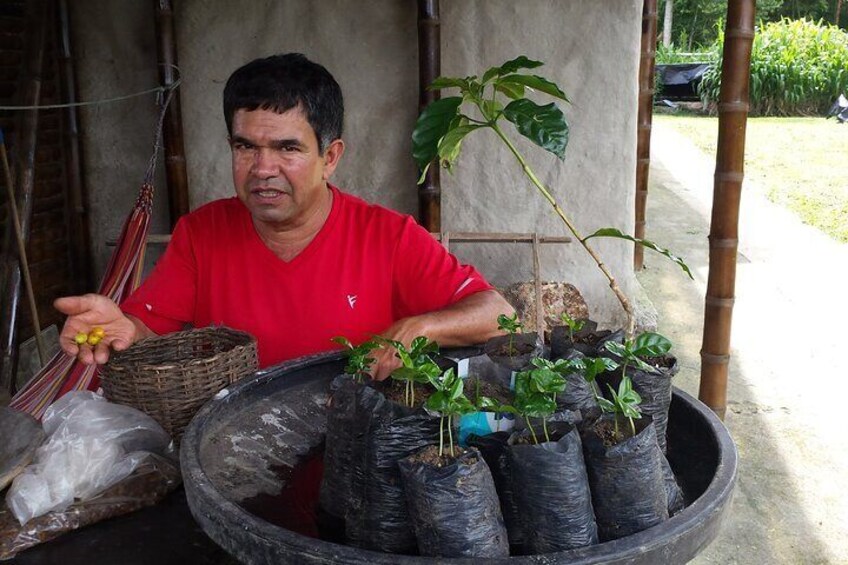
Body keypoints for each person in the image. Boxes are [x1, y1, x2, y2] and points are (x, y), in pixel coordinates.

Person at [55, 53, 512, 380]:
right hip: (238, 457)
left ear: (330, 157)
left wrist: (419, 328)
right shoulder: (202, 232)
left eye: (287, 148)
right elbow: (147, 328)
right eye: (245, 147)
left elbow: (499, 314)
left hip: (358, 457)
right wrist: (118, 329)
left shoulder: (387, 236)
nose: (262, 169)